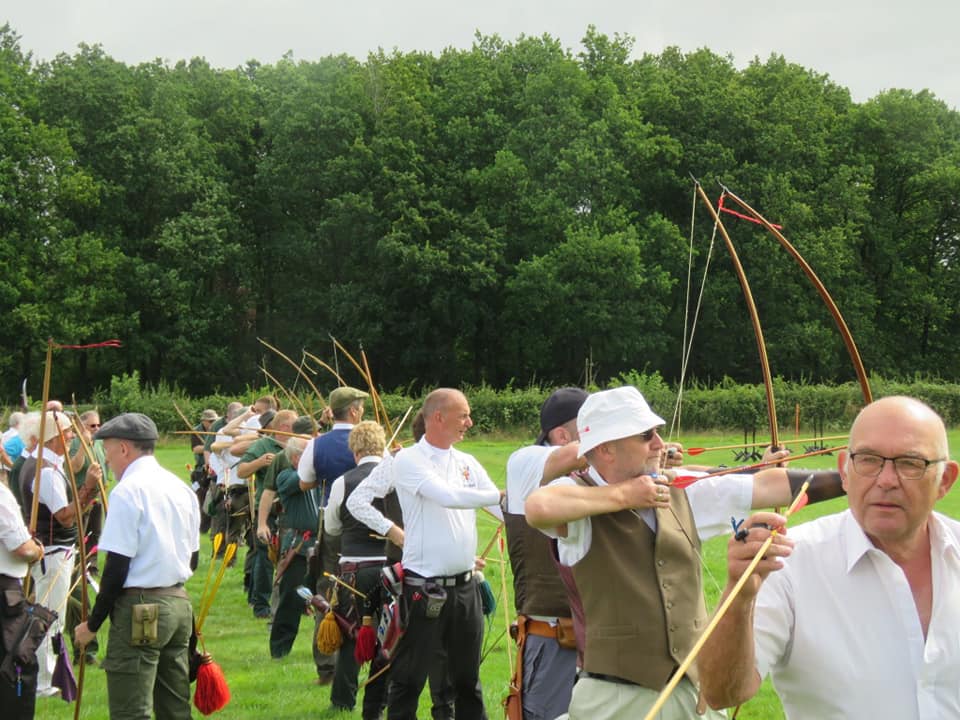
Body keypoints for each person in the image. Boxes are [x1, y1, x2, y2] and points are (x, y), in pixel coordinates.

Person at [524, 386, 844, 720]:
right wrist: (625, 496)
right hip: (614, 700)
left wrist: (851, 478)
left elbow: (767, 484)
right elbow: (538, 507)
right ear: (606, 449)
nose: (659, 444)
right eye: (645, 435)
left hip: (693, 693)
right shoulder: (576, 494)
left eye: (657, 433)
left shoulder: (678, 488)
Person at [698, 396, 960, 719]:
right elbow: (721, 692)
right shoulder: (787, 561)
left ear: (945, 480)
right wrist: (739, 598)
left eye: (910, 463)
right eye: (868, 460)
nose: (886, 480)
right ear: (844, 472)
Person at [74, 412, 200, 720]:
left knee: (130, 711)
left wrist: (92, 625)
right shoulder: (180, 487)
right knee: (175, 709)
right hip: (179, 606)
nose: (107, 460)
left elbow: (116, 568)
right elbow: (193, 559)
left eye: (108, 451)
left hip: (142, 609)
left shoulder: (128, 490)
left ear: (124, 449)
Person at [386, 388, 502, 720]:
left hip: (466, 588)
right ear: (438, 417)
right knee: (409, 678)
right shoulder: (408, 459)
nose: (469, 422)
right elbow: (448, 496)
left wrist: (532, 516)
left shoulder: (466, 462)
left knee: (468, 680)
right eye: (463, 415)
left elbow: (498, 506)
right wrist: (501, 495)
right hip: (424, 588)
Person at [504, 388, 587, 720]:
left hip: (597, 635)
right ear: (562, 435)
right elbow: (572, 456)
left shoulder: (591, 474)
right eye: (592, 426)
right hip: (553, 635)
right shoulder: (526, 460)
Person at [18, 410, 100, 698]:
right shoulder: (46, 472)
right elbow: (65, 517)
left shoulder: (44, 463)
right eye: (67, 432)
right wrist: (88, 487)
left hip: (52, 551)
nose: (71, 436)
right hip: (53, 553)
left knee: (49, 615)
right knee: (49, 617)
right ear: (54, 437)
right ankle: (43, 681)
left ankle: (45, 675)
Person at [324, 420, 395, 716]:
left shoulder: (343, 481)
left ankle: (343, 701)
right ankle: (382, 700)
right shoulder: (398, 478)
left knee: (352, 632)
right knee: (390, 636)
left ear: (355, 452)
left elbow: (331, 526)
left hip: (354, 570)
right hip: (392, 570)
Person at [298, 386, 368, 684]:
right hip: (367, 525)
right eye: (360, 407)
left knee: (328, 589)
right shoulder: (370, 442)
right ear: (352, 411)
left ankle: (326, 665)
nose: (362, 411)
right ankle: (363, 659)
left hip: (331, 522)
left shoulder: (317, 444)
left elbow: (304, 482)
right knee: (366, 588)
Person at [237, 409, 296, 619]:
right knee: (265, 556)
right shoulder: (263, 445)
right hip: (268, 509)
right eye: (294, 426)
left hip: (291, 509)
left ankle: (291, 601)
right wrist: (260, 461)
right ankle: (261, 604)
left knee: (291, 556)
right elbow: (241, 471)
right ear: (283, 428)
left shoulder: (298, 445)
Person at [0, 465, 45, 719]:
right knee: (14, 670)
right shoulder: (1, 495)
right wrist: (37, 549)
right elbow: (22, 549)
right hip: (5, 595)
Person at [268, 434, 317, 659]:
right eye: (309, 454)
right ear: (297, 458)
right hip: (299, 545)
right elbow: (304, 480)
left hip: (321, 543)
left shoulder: (315, 474)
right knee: (291, 598)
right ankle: (279, 650)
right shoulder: (286, 476)